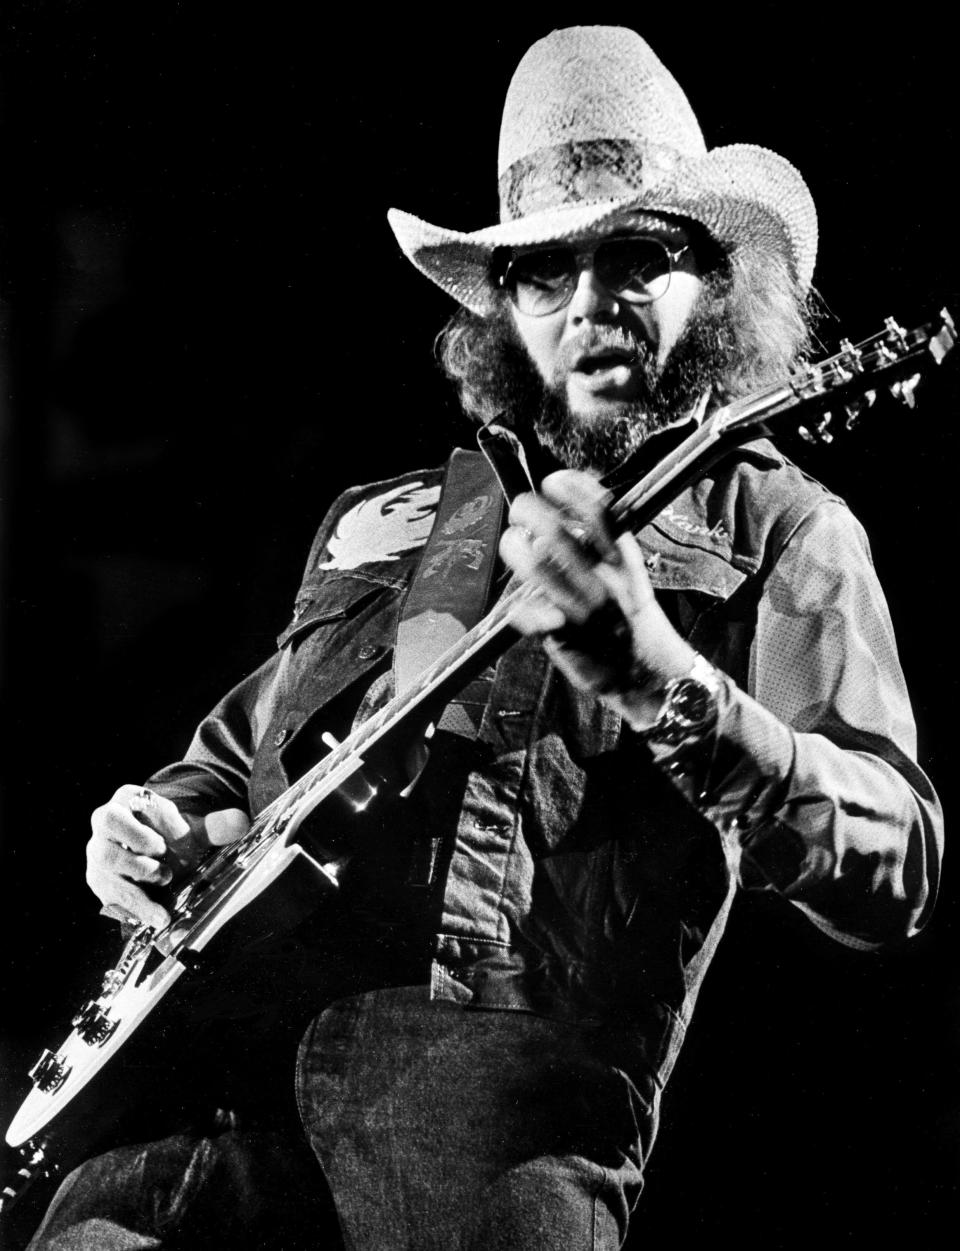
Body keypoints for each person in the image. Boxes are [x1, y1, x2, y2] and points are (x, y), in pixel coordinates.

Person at [24, 24, 943, 1251]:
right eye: (544, 271)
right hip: (184, 1110)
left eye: (637, 256)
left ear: (717, 282)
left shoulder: (784, 527)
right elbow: (238, 756)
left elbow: (897, 864)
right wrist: (158, 826)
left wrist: (658, 678)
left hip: (486, 1128)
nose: (590, 304)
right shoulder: (386, 518)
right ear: (501, 306)